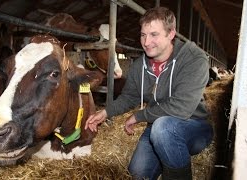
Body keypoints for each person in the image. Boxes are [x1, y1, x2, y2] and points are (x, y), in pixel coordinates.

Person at [85, 6, 213, 180]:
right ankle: (167, 152)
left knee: (163, 129)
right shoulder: (139, 65)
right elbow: (129, 96)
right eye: (143, 35)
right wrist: (105, 112)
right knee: (137, 174)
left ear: (171, 34)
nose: (146, 42)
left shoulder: (193, 59)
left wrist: (139, 116)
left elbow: (182, 108)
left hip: (193, 125)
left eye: (154, 34)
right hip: (156, 127)